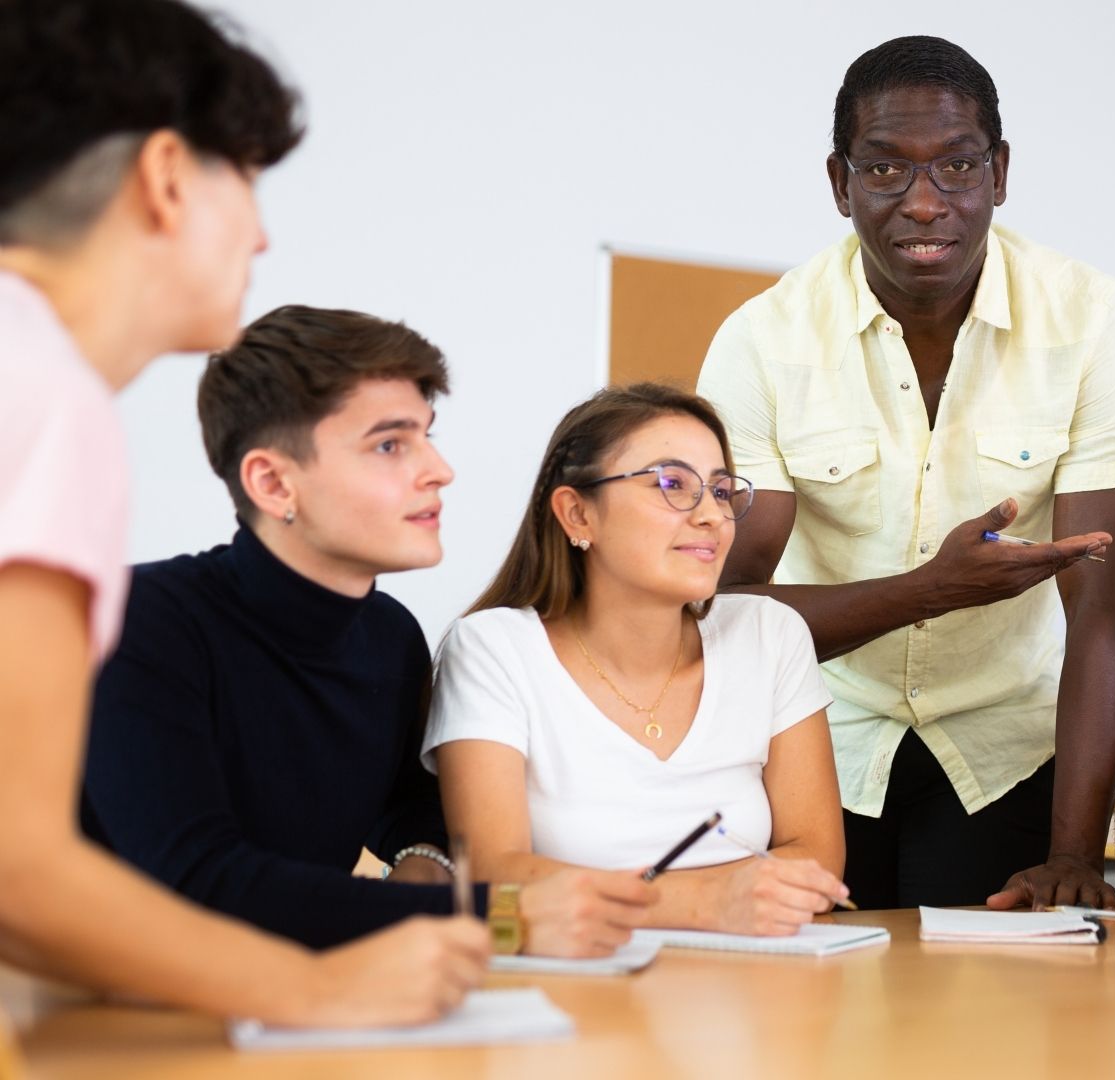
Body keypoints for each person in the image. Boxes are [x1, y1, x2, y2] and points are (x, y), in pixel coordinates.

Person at [0, 0, 483, 1026]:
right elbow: (21, 869)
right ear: (168, 177)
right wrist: (315, 986)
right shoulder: (43, 393)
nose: (262, 232)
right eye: (249, 182)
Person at [697, 36, 1115, 910]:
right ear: (839, 182)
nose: (923, 203)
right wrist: (929, 589)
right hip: (816, 741)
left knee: (980, 1028)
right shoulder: (761, 340)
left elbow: (1105, 612)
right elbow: (720, 606)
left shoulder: (1093, 321)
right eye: (883, 170)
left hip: (1007, 751)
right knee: (814, 1016)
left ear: (1000, 172)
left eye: (957, 166)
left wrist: (1076, 853)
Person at [82, 306, 660, 956]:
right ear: (272, 483)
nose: (439, 469)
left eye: (427, 435)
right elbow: (198, 883)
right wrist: (499, 915)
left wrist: (424, 867)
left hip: (295, 1002)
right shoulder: (141, 620)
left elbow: (415, 813)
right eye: (390, 445)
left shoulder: (389, 636)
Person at [428, 384, 851, 936]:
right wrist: (704, 901)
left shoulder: (770, 634)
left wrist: (592, 890)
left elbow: (816, 864)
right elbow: (493, 879)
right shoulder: (492, 648)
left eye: (721, 492)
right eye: (672, 484)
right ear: (577, 514)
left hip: (753, 993)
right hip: (571, 990)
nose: (712, 517)